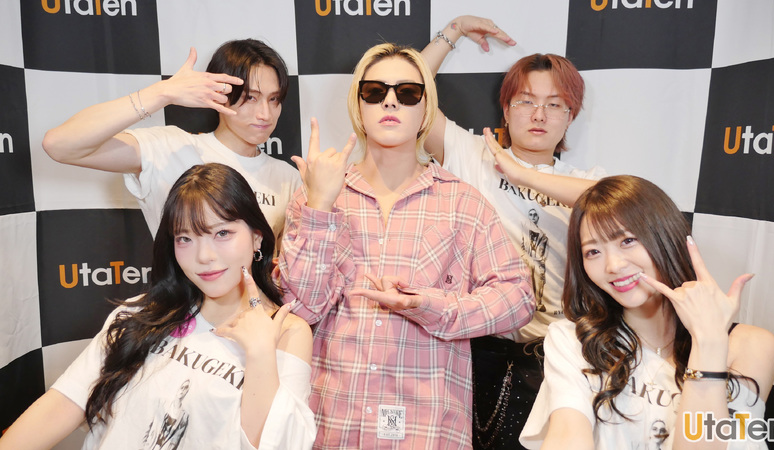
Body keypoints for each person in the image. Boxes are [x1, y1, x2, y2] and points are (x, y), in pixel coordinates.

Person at [278, 43, 535, 449]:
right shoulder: (317, 196)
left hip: (426, 430)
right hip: (332, 426)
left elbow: (518, 299)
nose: (390, 101)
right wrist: (320, 207)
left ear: (425, 109)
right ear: (358, 104)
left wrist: (429, 306)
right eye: (375, 91)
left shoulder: (462, 202)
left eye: (408, 92)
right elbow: (302, 307)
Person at [0, 163, 316, 450]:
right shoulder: (140, 314)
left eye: (222, 233)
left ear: (257, 237)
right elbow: (61, 406)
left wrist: (260, 354)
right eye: (185, 238)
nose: (204, 256)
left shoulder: (286, 332)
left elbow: (277, 444)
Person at [421, 16, 606, 449]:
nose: (539, 114)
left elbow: (623, 204)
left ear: (571, 117)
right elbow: (411, 88)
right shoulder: (472, 155)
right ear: (505, 109)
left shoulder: (586, 181)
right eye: (525, 101)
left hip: (555, 353)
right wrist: (454, 30)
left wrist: (522, 174)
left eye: (555, 104)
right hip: (474, 343)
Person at [519, 175, 774, 450]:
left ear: (665, 235)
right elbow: (566, 437)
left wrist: (708, 339)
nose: (613, 266)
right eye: (593, 251)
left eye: (627, 241)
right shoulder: (573, 340)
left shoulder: (752, 345)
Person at [42, 39, 301, 247]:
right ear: (219, 93)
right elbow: (59, 145)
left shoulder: (288, 178)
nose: (265, 114)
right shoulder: (171, 148)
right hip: (181, 299)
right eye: (251, 98)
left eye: (274, 99)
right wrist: (161, 93)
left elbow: (284, 271)